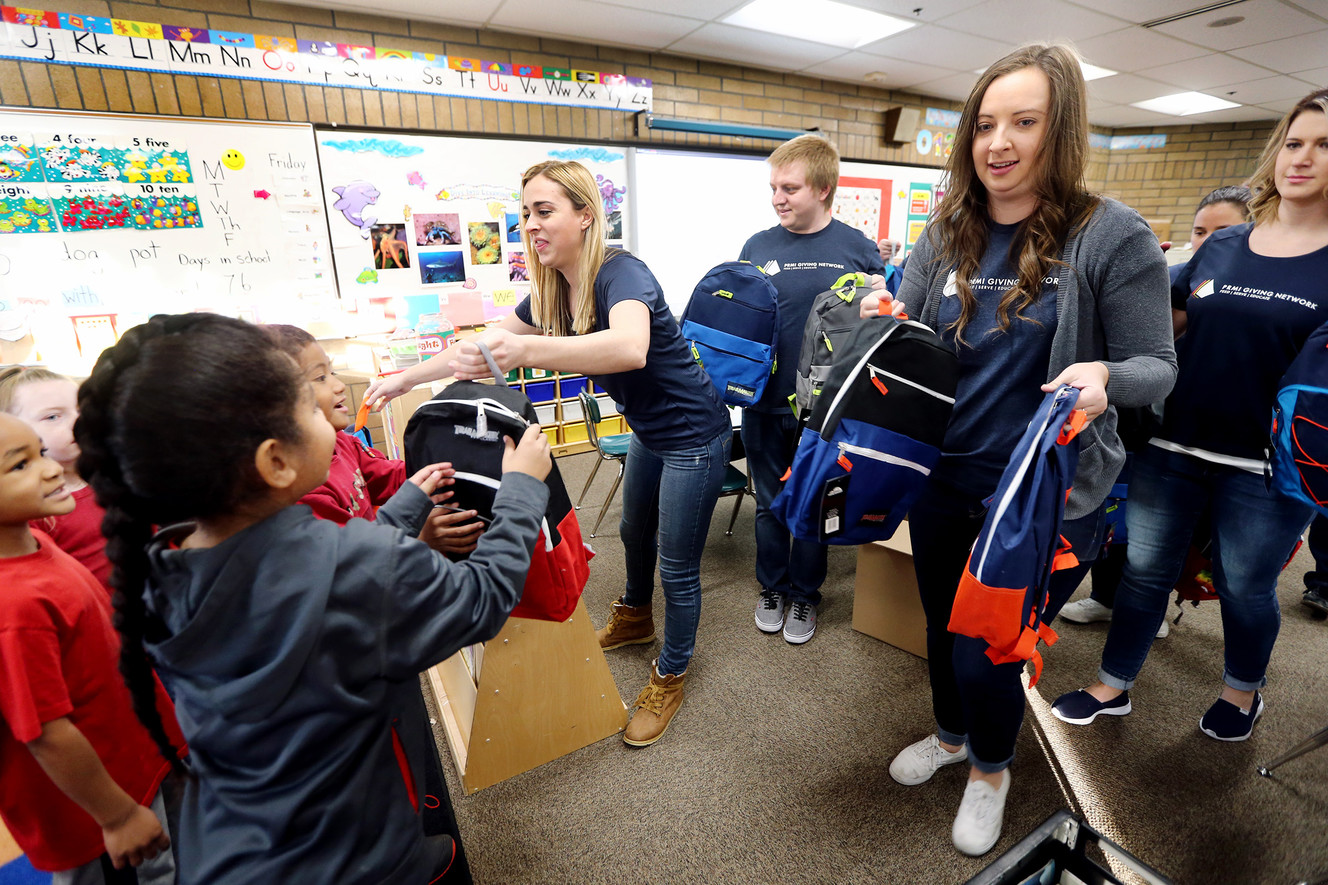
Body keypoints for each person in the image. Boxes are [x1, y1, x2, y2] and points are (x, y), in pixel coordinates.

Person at [74, 313, 552, 884]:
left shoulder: (161, 564)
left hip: (228, 852)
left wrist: (399, 512)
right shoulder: (348, 568)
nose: (327, 408)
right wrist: (523, 489)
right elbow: (482, 600)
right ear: (275, 461)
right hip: (352, 859)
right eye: (307, 405)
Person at [858, 44, 1176, 856]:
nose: (998, 142)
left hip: (1041, 499)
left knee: (988, 646)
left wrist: (1105, 371)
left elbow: (1157, 366)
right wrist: (885, 314)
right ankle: (954, 736)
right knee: (942, 624)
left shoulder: (1112, 236)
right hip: (946, 478)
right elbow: (916, 337)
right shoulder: (949, 231)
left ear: (1058, 129)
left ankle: (991, 770)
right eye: (986, 125)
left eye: (1023, 123)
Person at [364, 160, 732, 747]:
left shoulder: (621, 273)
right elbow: (482, 348)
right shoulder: (554, 289)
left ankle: (672, 672)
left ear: (585, 216)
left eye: (544, 211)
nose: (531, 226)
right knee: (634, 532)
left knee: (677, 563)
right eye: (526, 214)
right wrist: (408, 378)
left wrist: (527, 348)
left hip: (694, 435)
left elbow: (630, 347)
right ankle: (636, 616)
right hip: (649, 431)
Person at [1051, 88, 1328, 743]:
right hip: (1173, 444)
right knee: (1143, 570)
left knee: (1244, 585)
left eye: (1324, 147)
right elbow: (1159, 323)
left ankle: (1242, 691)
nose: (1303, 158)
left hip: (1266, 465)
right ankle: (1113, 683)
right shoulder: (1225, 245)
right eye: (1294, 142)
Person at [262, 324, 482, 883]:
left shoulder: (337, 444)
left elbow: (387, 478)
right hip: (356, 663)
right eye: (321, 377)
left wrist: (452, 474)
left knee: (416, 758)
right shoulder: (300, 490)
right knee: (386, 779)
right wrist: (419, 537)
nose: (340, 386)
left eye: (333, 370)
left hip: (388, 655)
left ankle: (430, 840)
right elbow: (354, 574)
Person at [1059, 185, 1251, 634]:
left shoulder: (1260, 285)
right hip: (1151, 421)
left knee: (1191, 538)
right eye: (1200, 231)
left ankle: (1162, 600)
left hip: (1230, 435)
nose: (1209, 241)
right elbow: (1147, 341)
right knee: (1121, 516)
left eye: (1224, 231)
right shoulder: (1183, 276)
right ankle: (1108, 597)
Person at [0, 412, 181, 885]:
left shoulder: (35, 540)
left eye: (39, 451)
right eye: (18, 466)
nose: (51, 467)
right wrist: (117, 817)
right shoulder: (13, 605)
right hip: (96, 813)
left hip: (129, 769)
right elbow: (45, 731)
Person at [737, 135, 890, 644]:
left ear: (823, 189)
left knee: (815, 501)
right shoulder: (757, 247)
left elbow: (878, 327)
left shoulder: (856, 248)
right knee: (769, 502)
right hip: (763, 400)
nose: (777, 197)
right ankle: (772, 588)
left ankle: (805, 596)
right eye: (773, 187)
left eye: (790, 188)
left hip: (826, 404)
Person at [0, 366, 111, 587]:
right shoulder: (34, 508)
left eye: (81, 410)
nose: (78, 422)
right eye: (53, 416)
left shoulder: (114, 474)